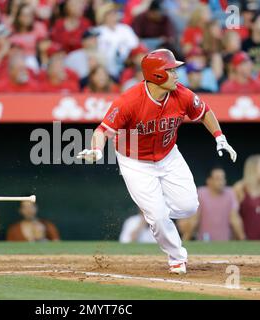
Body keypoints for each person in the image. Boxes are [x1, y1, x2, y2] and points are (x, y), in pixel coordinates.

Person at [78, 48, 237, 275]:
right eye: (171, 70)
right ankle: (176, 257)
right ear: (157, 75)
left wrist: (219, 137)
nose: (176, 75)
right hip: (135, 162)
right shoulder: (130, 100)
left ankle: (156, 213)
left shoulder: (181, 94)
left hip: (168, 154)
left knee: (189, 206)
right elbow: (103, 129)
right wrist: (96, 149)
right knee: (158, 216)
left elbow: (204, 112)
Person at [178, 167, 245, 241]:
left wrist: (243, 240)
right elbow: (194, 220)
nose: (221, 181)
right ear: (209, 181)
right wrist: (185, 241)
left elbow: (235, 219)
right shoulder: (201, 193)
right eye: (217, 178)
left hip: (226, 242)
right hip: (204, 241)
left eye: (223, 178)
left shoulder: (230, 194)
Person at [233, 154, 260, 240]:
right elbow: (233, 215)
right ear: (252, 169)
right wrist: (241, 236)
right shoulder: (240, 188)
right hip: (245, 241)